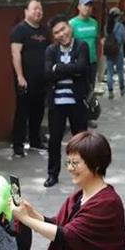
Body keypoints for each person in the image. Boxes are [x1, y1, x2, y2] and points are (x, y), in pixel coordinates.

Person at [43, 15, 90, 188]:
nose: (61, 34)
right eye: (57, 32)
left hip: (76, 101)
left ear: (69, 27)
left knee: (81, 141)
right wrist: (72, 69)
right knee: (54, 140)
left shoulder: (81, 46)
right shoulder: (50, 50)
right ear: (54, 36)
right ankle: (52, 174)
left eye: (63, 29)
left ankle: (85, 173)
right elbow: (47, 73)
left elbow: (82, 68)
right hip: (57, 103)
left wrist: (58, 68)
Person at [9, 0, 50, 158]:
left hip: (41, 78)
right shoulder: (19, 30)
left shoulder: (45, 31)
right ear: (26, 11)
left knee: (38, 110)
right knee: (22, 112)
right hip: (25, 79)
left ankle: (35, 140)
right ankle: (18, 145)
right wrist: (20, 76)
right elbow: (15, 54)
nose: (38, 12)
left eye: (40, 9)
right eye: (34, 9)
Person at [68, 0, 100, 93]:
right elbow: (68, 44)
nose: (88, 8)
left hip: (92, 62)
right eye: (85, 5)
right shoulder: (71, 23)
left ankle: (90, 108)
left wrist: (97, 59)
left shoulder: (94, 23)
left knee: (91, 88)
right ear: (79, 7)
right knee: (80, 89)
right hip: (78, 63)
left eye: (90, 6)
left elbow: (96, 42)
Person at [103, 8, 125, 100]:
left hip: (109, 51)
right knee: (120, 71)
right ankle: (122, 89)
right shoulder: (120, 26)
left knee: (109, 72)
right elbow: (124, 39)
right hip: (118, 51)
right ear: (117, 16)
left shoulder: (106, 27)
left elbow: (106, 38)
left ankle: (110, 92)